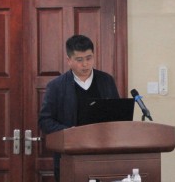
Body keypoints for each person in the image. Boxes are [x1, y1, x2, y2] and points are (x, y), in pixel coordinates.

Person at [38, 34, 119, 181]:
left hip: (103, 154)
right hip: (69, 156)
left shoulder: (106, 81)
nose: (85, 64)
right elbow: (45, 121)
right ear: (69, 60)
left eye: (89, 58)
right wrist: (70, 132)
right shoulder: (56, 86)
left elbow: (118, 115)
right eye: (79, 60)